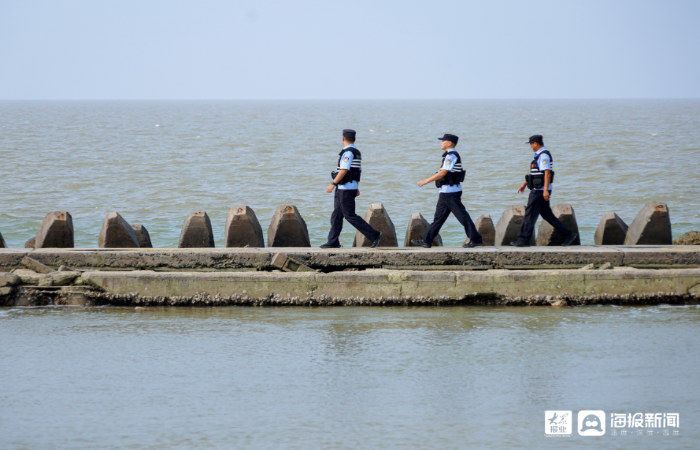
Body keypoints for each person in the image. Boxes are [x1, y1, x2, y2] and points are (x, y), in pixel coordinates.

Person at [411, 133, 483, 248]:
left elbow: (443, 173)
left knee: (462, 217)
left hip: (451, 193)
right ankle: (426, 241)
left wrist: (425, 181)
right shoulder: (447, 155)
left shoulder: (451, 155)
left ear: (449, 143)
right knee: (438, 218)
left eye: (443, 141)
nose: (441, 143)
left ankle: (475, 239)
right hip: (445, 192)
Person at [511, 134, 578, 246]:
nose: (531, 147)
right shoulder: (538, 155)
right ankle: (568, 234)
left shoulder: (544, 156)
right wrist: (524, 184)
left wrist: (545, 190)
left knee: (529, 214)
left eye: (531, 144)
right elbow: (535, 174)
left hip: (539, 191)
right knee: (548, 216)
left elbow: (546, 173)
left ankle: (522, 241)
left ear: (536, 144)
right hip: (540, 190)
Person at [320, 129, 382, 248]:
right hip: (347, 187)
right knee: (337, 215)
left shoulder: (348, 153)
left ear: (343, 139)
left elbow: (344, 170)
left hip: (345, 189)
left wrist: (333, 183)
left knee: (349, 215)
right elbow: (357, 171)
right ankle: (333, 242)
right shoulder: (356, 152)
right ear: (355, 139)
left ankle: (374, 235)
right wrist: (356, 187)